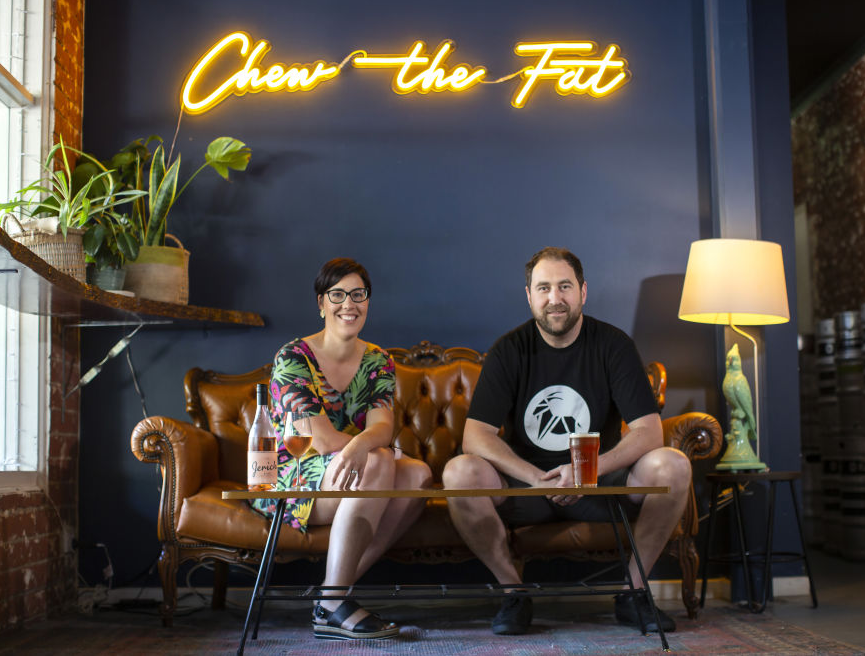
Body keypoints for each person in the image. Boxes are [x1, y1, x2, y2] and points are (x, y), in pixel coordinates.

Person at [441, 247, 692, 635]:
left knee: (673, 463)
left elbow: (648, 430)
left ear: (583, 292)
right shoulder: (509, 350)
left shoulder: (613, 345)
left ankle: (634, 593)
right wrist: (536, 477)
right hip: (526, 489)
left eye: (564, 287)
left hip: (598, 483)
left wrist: (584, 472)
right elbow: (475, 436)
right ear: (529, 295)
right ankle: (515, 593)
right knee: (459, 471)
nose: (554, 298)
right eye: (543, 288)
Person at [253, 257, 432, 641]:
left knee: (419, 474)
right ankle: (334, 605)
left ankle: (331, 595)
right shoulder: (293, 358)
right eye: (337, 294)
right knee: (382, 461)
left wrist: (361, 449)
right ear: (321, 303)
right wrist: (368, 450)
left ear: (368, 302)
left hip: (357, 469)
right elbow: (316, 439)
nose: (348, 304)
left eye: (358, 294)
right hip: (294, 474)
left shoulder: (378, 360)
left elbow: (383, 427)